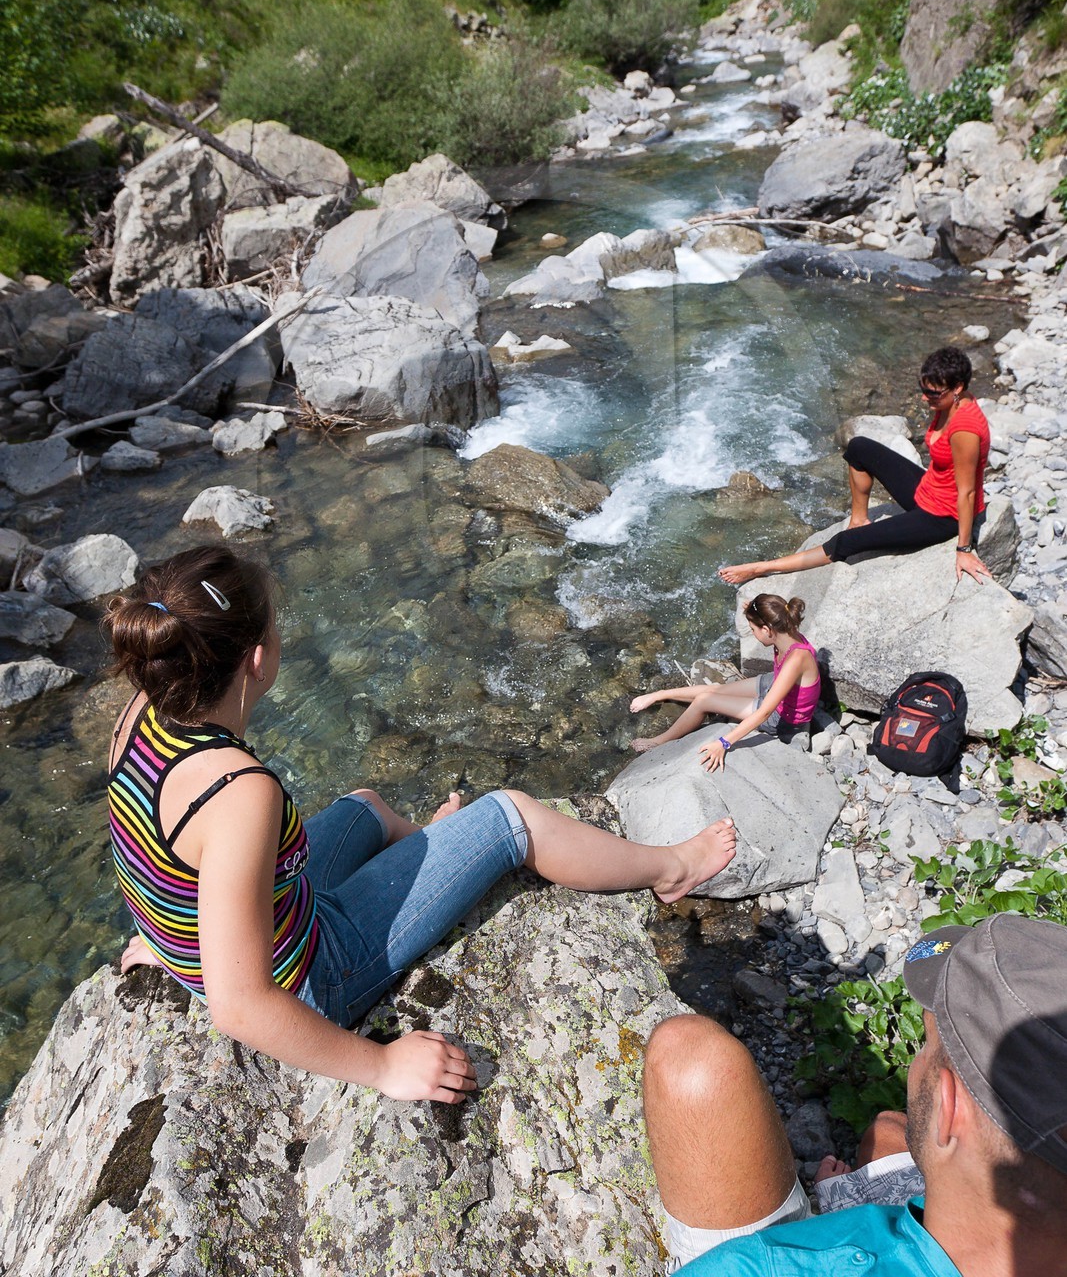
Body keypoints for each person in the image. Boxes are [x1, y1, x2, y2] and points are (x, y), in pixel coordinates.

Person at [105, 544, 738, 1104]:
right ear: (258, 658)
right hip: (314, 976)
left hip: (270, 917)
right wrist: (382, 1065)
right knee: (510, 815)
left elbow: (151, 847)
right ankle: (672, 868)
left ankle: (439, 851)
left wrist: (169, 943)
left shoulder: (137, 717)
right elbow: (239, 1004)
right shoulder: (239, 791)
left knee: (366, 807)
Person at [642, 912, 1067, 1276]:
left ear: (949, 1106)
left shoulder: (749, 1266)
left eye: (928, 1045)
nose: (918, 1060)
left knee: (689, 1058)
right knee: (888, 1131)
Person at [719, 347, 993, 590]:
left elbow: (967, 493)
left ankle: (762, 568)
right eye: (923, 390)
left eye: (932, 393)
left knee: (845, 543)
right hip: (928, 490)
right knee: (860, 447)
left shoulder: (964, 430)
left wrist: (964, 548)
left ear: (957, 388)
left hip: (944, 516)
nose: (925, 398)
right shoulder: (951, 401)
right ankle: (859, 518)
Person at [629, 595, 821, 770]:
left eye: (753, 629)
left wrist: (724, 742)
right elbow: (772, 610)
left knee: (704, 700)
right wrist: (753, 608)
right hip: (778, 684)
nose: (752, 634)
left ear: (766, 629)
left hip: (783, 717)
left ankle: (659, 741)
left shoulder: (796, 659)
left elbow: (765, 712)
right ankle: (661, 694)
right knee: (719, 690)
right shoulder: (786, 627)